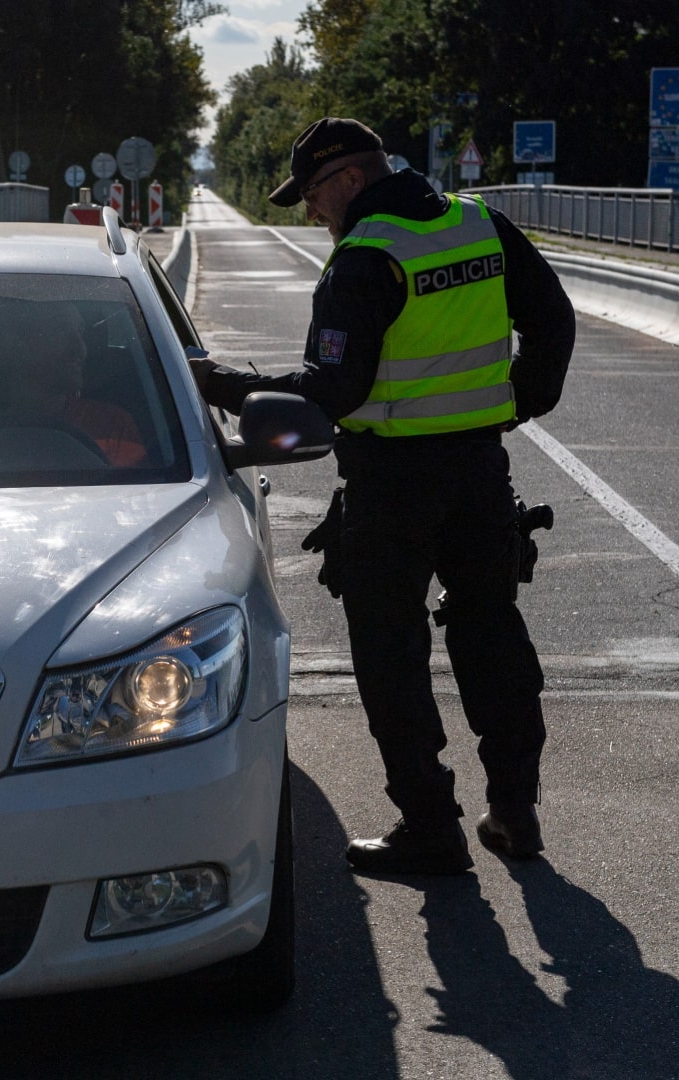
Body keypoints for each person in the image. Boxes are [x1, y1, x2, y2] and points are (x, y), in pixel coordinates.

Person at [191, 117, 575, 875]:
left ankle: (430, 830)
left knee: (391, 652)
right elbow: (553, 319)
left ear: (350, 179)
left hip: (393, 485)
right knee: (491, 631)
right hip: (479, 471)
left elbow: (331, 391)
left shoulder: (366, 257)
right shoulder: (479, 224)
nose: (310, 211)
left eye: (311, 194)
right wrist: (514, 404)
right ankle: (514, 810)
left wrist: (221, 384)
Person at [0, 300, 148, 467]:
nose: (80, 349)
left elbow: (142, 483)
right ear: (16, 344)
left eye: (80, 332)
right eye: (59, 331)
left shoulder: (112, 426)